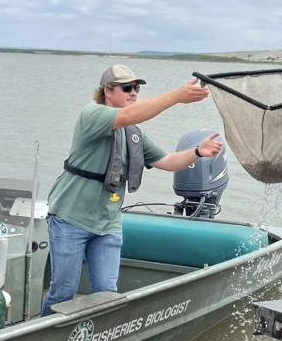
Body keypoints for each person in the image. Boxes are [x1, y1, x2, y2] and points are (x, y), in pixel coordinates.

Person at [41, 64, 223, 315]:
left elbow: (168, 162)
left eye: (136, 88)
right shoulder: (92, 114)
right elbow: (130, 115)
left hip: (108, 223)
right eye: (127, 88)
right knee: (63, 291)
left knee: (107, 293)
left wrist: (197, 152)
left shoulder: (133, 134)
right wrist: (176, 97)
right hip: (71, 218)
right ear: (108, 90)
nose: (134, 92)